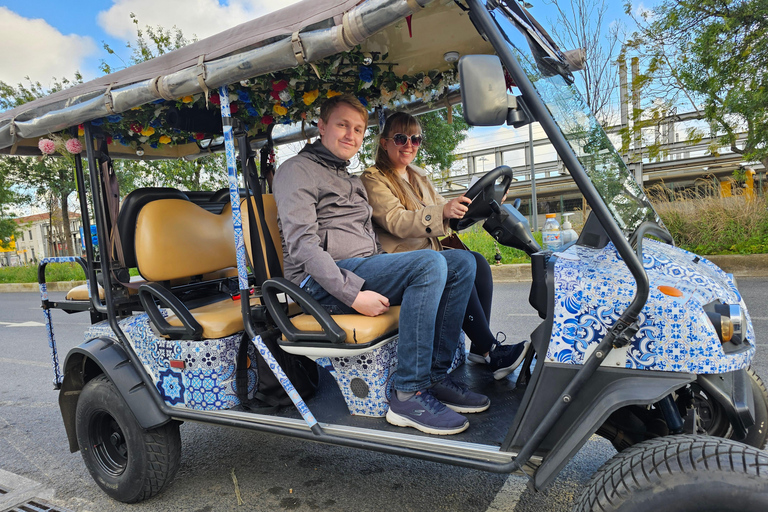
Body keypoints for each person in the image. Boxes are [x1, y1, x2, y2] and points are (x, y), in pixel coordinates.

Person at [273, 94, 488, 435]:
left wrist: (388, 269)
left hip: (364, 267)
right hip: (319, 285)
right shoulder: (296, 171)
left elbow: (369, 240)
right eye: (343, 125)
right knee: (430, 264)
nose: (351, 135)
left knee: (461, 261)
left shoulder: (349, 179)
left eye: (358, 129)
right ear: (322, 126)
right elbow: (302, 247)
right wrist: (353, 295)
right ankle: (408, 393)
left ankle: (434, 377)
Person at [361, 112, 530, 380]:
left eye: (415, 139)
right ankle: (489, 351)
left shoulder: (417, 176)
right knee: (460, 265)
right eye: (401, 138)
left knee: (479, 263)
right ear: (384, 143)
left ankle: (479, 347)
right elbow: (396, 221)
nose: (409, 145)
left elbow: (443, 208)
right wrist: (442, 213)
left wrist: (480, 204)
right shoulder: (373, 179)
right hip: (402, 262)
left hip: (428, 255)